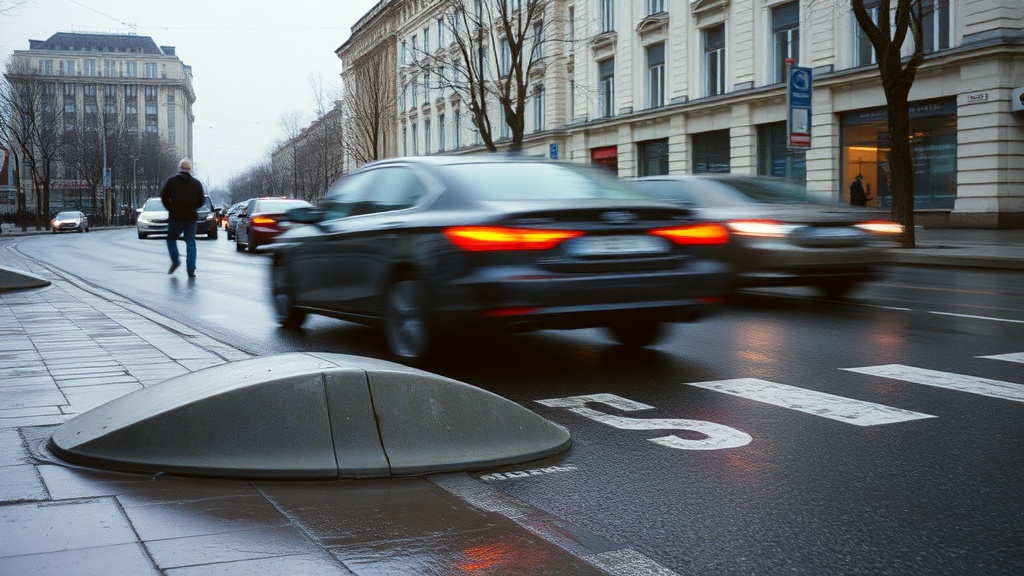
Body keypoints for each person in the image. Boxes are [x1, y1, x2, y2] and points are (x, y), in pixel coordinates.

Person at [160, 158, 205, 277]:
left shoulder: (171, 181)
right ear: (190, 169)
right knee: (190, 241)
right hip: (191, 217)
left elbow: (164, 196)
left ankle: (175, 260)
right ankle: (191, 269)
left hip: (175, 217)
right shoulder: (196, 183)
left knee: (171, 239)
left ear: (179, 168)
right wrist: (192, 207)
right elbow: (201, 201)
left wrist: (171, 208)